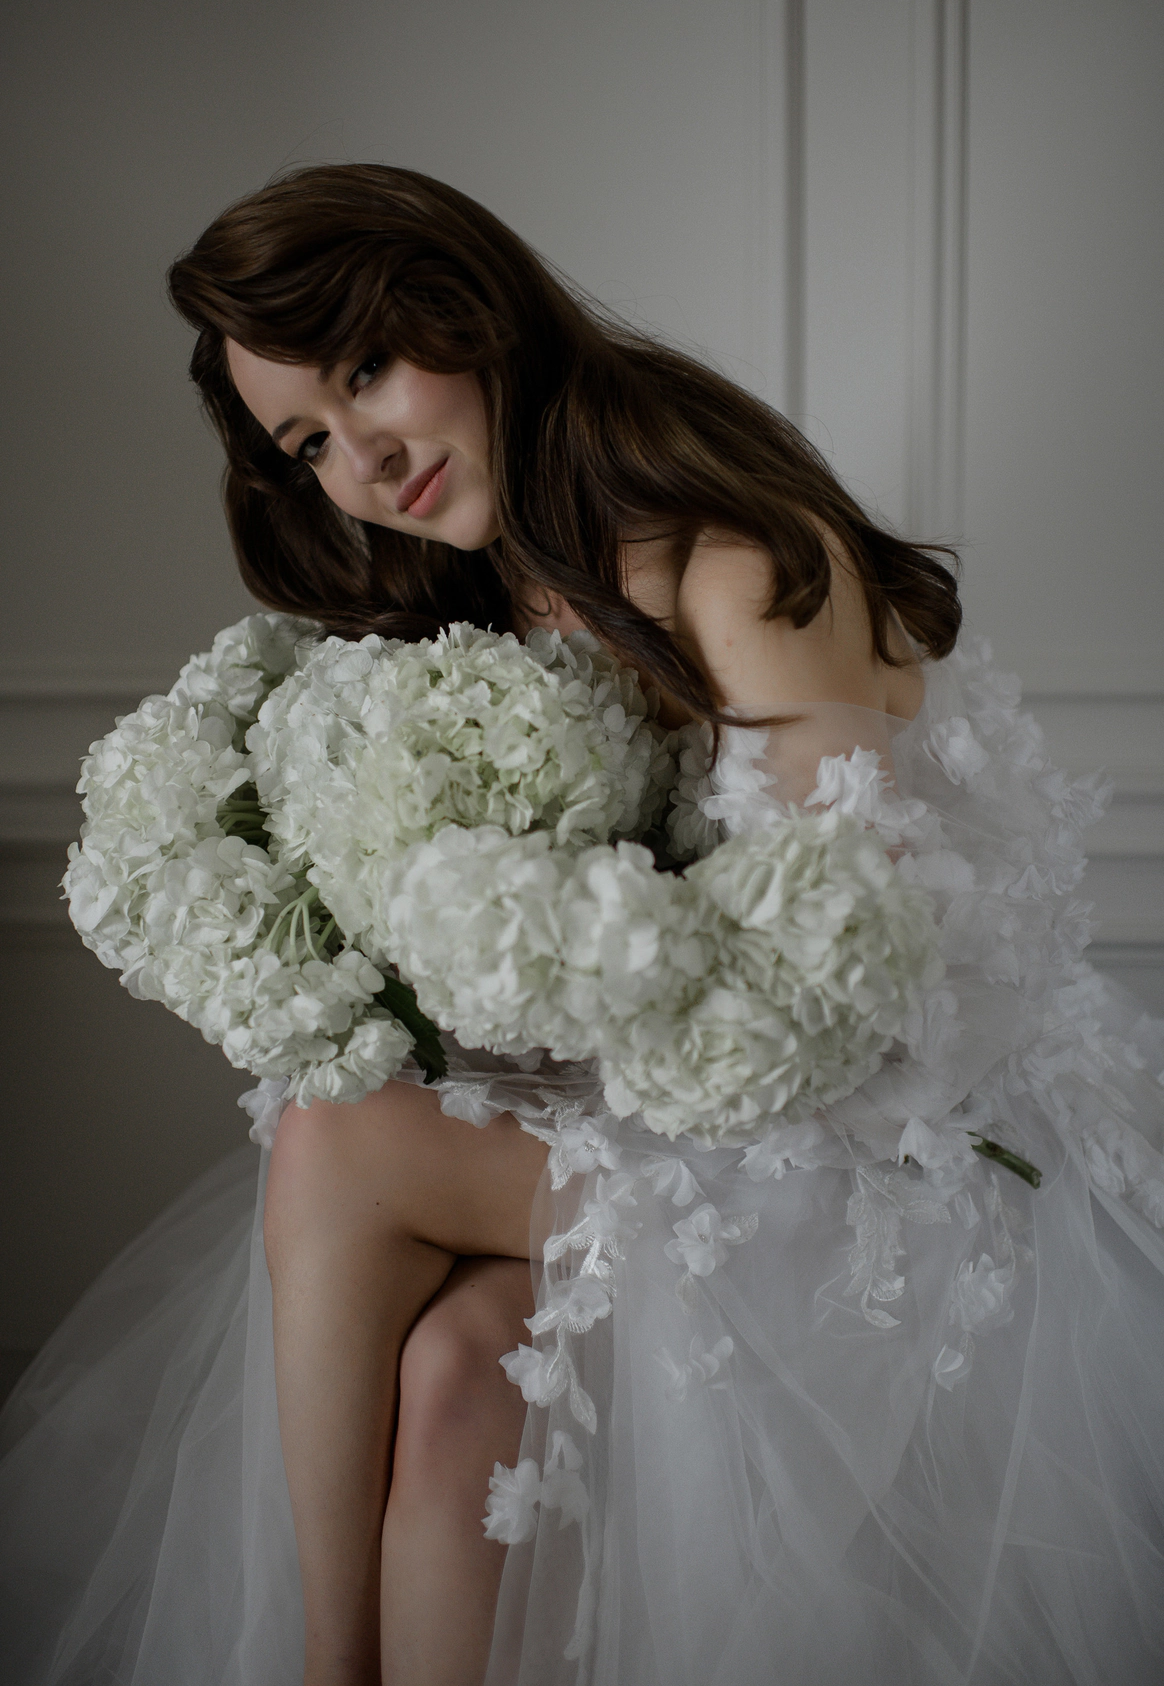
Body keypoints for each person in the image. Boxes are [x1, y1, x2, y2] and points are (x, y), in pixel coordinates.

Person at [2, 164, 1163, 1686]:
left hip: (881, 1149)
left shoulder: (734, 556)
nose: (363, 457)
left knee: (337, 1137)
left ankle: (321, 1666)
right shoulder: (507, 582)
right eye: (309, 443)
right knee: (455, 1378)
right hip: (696, 1115)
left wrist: (541, 947)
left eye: (368, 369)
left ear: (468, 308)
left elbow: (834, 980)